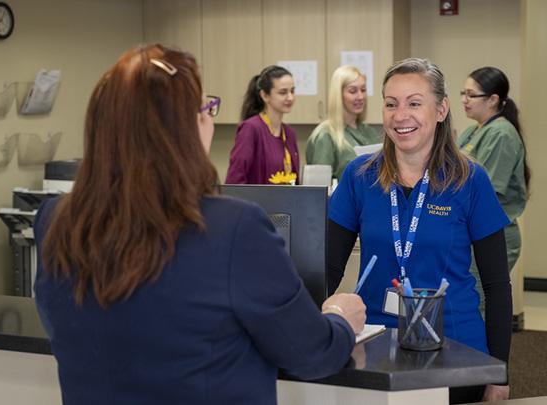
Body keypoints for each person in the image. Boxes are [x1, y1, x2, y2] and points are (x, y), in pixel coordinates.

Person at [33, 44, 366, 405]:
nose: (209, 119)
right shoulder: (234, 229)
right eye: (205, 109)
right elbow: (312, 353)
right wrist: (338, 318)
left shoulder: (53, 221)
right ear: (186, 127)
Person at [326, 58, 512, 403]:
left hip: (455, 345)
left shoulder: (470, 179)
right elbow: (328, 268)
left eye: (414, 103)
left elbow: (498, 284)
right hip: (373, 342)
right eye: (391, 104)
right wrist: (308, 330)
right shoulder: (359, 176)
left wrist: (498, 371)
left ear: (441, 110)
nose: (400, 115)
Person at [458, 67, 530, 317]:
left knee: (478, 306)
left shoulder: (501, 133)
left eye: (471, 95)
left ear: (493, 99)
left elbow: (487, 192)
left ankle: (483, 356)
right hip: (473, 232)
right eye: (463, 94)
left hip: (493, 234)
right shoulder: (472, 131)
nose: (464, 100)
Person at [225, 66, 300, 184]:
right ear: (265, 95)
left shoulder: (289, 133)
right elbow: (235, 180)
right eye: (283, 92)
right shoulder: (251, 128)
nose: (290, 97)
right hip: (255, 202)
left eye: (292, 91)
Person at [306, 65, 381, 181]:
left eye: (363, 90)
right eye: (353, 91)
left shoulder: (369, 132)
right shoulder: (325, 136)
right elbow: (319, 188)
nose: (360, 96)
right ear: (338, 95)